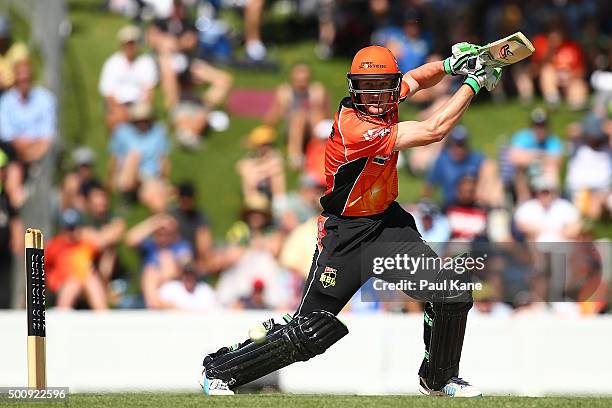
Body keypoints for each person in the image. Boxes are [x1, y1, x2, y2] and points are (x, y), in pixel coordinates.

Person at [201, 44, 503, 397]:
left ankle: (439, 380)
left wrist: (451, 65)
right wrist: (474, 82)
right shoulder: (357, 129)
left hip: (387, 226)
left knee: (451, 291)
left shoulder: (387, 98)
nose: (374, 95)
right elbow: (433, 130)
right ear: (353, 88)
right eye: (366, 86)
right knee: (309, 333)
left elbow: (418, 78)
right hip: (345, 236)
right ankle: (220, 370)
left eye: (382, 85)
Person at [99, 25, 158, 130]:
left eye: (133, 43)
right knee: (115, 118)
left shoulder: (146, 62)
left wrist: (140, 109)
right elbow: (108, 93)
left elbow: (149, 91)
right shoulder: (112, 63)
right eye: (128, 44)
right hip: (119, 105)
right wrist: (122, 110)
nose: (131, 47)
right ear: (122, 45)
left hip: (139, 104)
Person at [108, 102, 170, 198]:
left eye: (145, 120)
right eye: (139, 120)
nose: (142, 123)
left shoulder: (158, 131)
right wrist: (111, 177)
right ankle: (126, 192)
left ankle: (131, 196)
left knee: (154, 195)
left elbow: (163, 158)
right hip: (125, 172)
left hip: (149, 174)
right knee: (133, 157)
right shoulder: (122, 132)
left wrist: (164, 178)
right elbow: (115, 157)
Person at [0, 59, 56, 165]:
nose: (23, 80)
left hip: (41, 155)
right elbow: (6, 134)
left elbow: (47, 135)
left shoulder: (46, 98)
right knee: (14, 170)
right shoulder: (6, 101)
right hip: (13, 155)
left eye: (26, 78)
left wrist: (32, 153)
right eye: (20, 77)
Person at [508, 108, 563, 203]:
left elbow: (558, 162)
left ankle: (552, 203)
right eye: (537, 125)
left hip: (544, 173)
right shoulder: (522, 137)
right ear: (532, 126)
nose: (540, 129)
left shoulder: (553, 141)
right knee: (520, 170)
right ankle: (524, 202)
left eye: (542, 125)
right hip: (526, 173)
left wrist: (530, 156)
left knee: (552, 170)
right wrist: (540, 157)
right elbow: (514, 158)